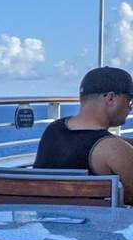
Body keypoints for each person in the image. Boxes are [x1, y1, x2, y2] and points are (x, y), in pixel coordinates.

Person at [33, 66, 133, 204]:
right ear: (110, 98)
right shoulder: (115, 149)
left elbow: (86, 139)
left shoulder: (53, 130)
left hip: (46, 215)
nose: (130, 107)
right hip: (95, 218)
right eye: (129, 101)